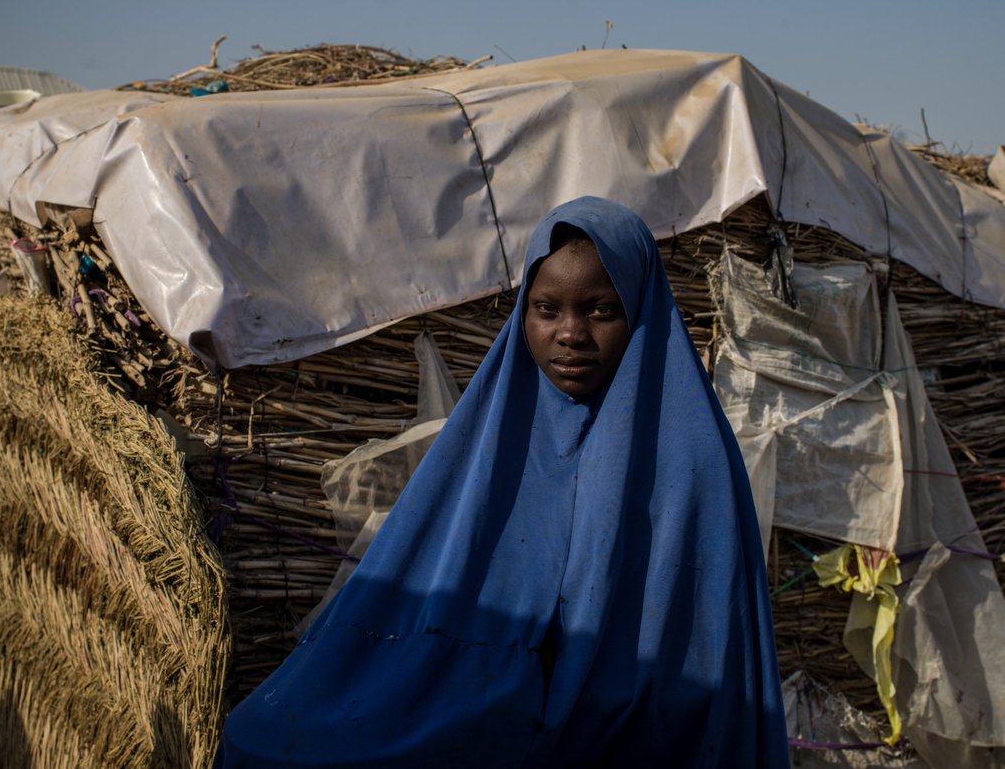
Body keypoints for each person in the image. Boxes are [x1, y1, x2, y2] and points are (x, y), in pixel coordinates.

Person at [216, 197, 790, 767]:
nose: (571, 334)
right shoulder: (489, 445)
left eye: (601, 310)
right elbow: (407, 616)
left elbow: (701, 666)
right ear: (523, 315)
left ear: (640, 312)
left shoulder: (691, 465)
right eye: (546, 309)